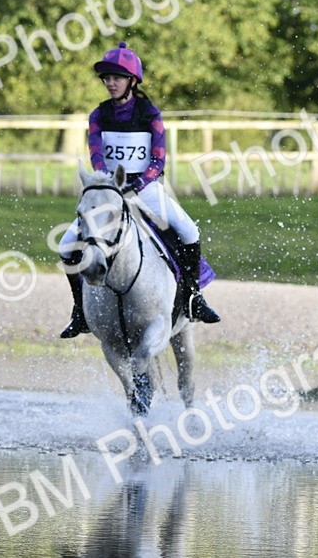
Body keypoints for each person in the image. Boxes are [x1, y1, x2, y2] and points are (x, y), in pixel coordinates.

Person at [59, 41, 221, 338]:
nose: (110, 83)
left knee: (189, 231)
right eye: (106, 78)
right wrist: (109, 183)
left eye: (116, 78)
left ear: (132, 81)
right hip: (111, 190)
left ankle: (193, 298)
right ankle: (80, 311)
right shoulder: (98, 115)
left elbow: (158, 159)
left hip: (145, 187)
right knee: (66, 245)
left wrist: (139, 182)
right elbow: (96, 154)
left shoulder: (150, 114)